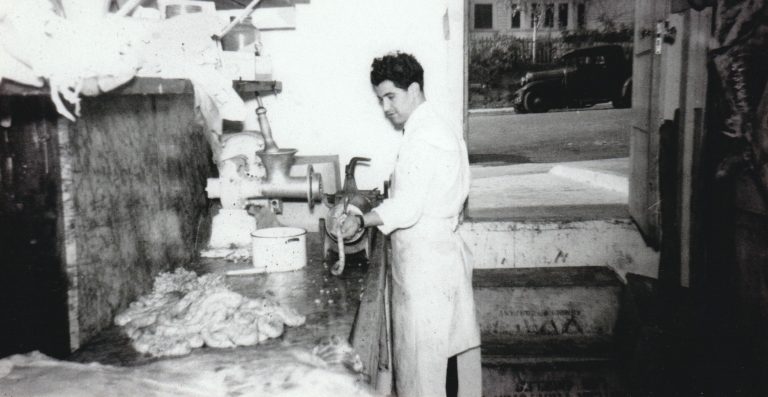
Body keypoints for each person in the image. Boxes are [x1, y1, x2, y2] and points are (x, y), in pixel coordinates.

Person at [338, 52, 482, 397]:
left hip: (427, 268)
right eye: (380, 99)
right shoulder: (434, 128)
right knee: (439, 363)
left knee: (425, 368)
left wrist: (361, 218)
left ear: (414, 89)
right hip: (434, 260)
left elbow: (408, 207)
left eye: (391, 97)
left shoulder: (424, 137)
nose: (386, 107)